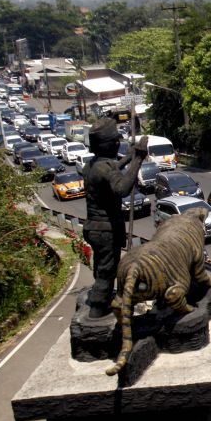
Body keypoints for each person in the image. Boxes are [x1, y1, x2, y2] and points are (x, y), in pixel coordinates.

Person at [82, 118, 149, 319]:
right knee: (106, 272)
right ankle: (96, 314)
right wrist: (138, 159)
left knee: (102, 267)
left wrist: (128, 158)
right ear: (110, 144)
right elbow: (121, 188)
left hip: (96, 227)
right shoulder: (103, 168)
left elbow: (111, 169)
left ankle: (101, 300)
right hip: (105, 230)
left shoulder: (93, 165)